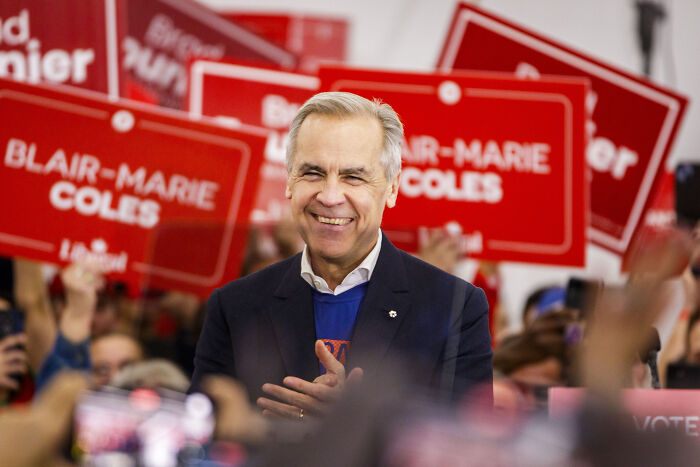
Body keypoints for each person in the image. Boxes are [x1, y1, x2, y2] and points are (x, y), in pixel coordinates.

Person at [191, 92, 492, 416]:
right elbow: (202, 434)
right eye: (313, 173)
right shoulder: (235, 306)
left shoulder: (455, 306)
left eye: (353, 177)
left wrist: (353, 424)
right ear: (289, 180)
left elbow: (470, 446)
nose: (331, 195)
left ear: (392, 188)